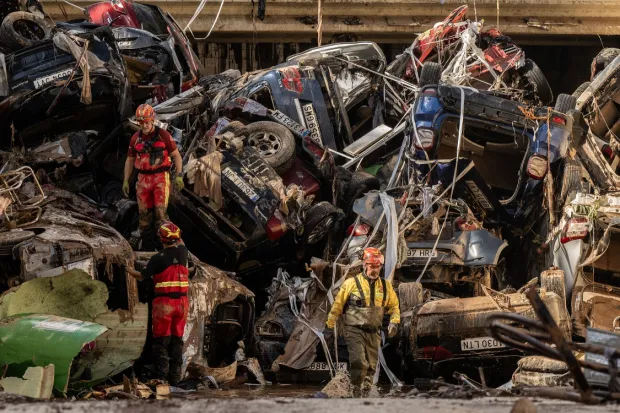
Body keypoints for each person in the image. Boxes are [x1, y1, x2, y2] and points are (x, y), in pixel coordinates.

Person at [326, 247, 400, 397]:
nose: (375, 269)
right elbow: (338, 305)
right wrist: (330, 325)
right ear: (364, 265)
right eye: (372, 266)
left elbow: (394, 307)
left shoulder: (386, 286)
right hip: (354, 329)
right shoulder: (350, 283)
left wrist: (394, 321)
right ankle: (355, 389)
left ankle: (365, 394)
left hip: (374, 332)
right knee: (359, 361)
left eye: (377, 266)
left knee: (371, 366)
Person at [126, 221, 189, 385]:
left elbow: (141, 276)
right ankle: (175, 378)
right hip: (182, 303)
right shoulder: (183, 253)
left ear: (161, 239)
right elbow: (180, 241)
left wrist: (126, 267)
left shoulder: (157, 259)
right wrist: (173, 229)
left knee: (161, 341)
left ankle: (161, 377)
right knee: (177, 340)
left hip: (164, 304)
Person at [123, 104, 184, 245]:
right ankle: (145, 240)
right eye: (141, 122)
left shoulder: (163, 135)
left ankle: (167, 242)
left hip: (160, 178)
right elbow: (130, 159)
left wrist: (179, 175)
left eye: (146, 122)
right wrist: (126, 180)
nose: (144, 126)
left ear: (152, 120)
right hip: (143, 179)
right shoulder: (135, 139)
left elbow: (177, 156)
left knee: (161, 214)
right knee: (143, 213)